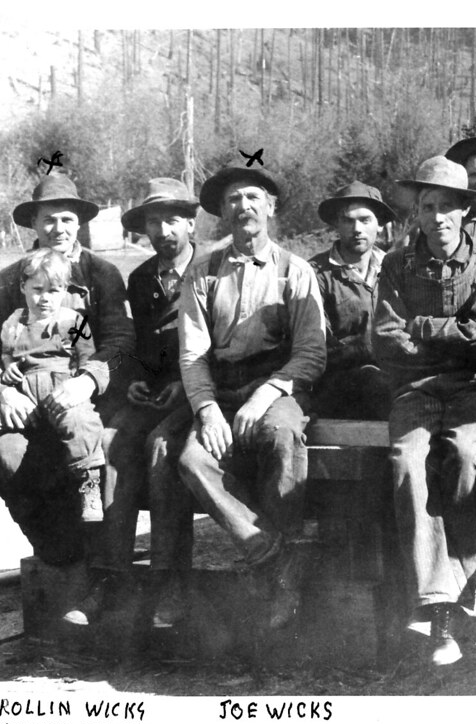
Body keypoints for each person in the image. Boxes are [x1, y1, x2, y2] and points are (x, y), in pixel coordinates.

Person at [373, 156, 476, 666]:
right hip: (416, 389)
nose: (437, 218)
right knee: (405, 460)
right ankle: (441, 606)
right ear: (417, 212)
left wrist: (424, 329)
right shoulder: (395, 265)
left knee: (464, 455)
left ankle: (447, 600)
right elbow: (384, 340)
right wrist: (442, 338)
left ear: (465, 211)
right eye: (427, 207)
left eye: (447, 207)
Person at [176, 163, 326, 630]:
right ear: (222, 212)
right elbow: (193, 353)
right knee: (192, 459)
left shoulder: (295, 271)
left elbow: (311, 353)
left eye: (253, 198)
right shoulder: (203, 273)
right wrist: (206, 411)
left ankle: (282, 578)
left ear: (271, 207)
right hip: (221, 387)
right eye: (234, 200)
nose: (244, 207)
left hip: (277, 383)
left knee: (282, 434)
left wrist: (265, 396)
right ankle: (270, 553)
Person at [0, 174, 134, 622]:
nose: (59, 228)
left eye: (67, 219)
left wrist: (88, 380)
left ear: (79, 223)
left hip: (85, 397)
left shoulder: (100, 274)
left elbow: (118, 342)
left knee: (102, 448)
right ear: (33, 224)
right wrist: (1, 390)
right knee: (8, 454)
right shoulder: (12, 280)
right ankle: (61, 561)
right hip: (23, 398)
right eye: (48, 219)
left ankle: (104, 579)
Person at [93, 178, 200, 629]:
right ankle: (110, 575)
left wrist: (185, 384)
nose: (163, 230)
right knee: (114, 438)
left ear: (192, 223)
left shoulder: (212, 269)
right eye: (154, 222)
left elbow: (218, 342)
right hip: (156, 390)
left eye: (172, 219)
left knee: (161, 447)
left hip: (201, 390)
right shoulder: (141, 278)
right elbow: (138, 346)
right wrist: (134, 380)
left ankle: (169, 580)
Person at [0, 249, 105, 518]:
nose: (45, 298)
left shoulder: (74, 320)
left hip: (61, 389)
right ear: (23, 286)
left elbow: (87, 355)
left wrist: (82, 382)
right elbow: (6, 351)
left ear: (65, 290)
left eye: (54, 290)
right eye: (37, 289)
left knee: (81, 423)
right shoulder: (14, 321)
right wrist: (9, 366)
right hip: (26, 393)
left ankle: (89, 484)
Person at [308, 181, 394, 421]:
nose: (357, 229)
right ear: (336, 225)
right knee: (374, 382)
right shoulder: (316, 273)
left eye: (365, 220)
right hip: (338, 383)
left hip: (392, 376)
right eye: (348, 220)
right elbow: (319, 343)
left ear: (379, 225)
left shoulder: (394, 269)